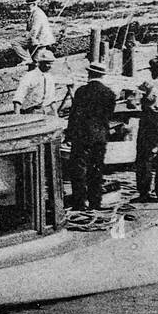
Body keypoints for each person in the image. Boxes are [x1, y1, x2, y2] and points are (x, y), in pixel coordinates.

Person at [66, 62, 116, 211]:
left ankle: (79, 204)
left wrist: (69, 135)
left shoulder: (81, 92)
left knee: (79, 170)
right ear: (102, 75)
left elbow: (74, 115)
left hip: (81, 136)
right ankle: (95, 203)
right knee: (96, 170)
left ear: (89, 74)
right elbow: (109, 115)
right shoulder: (109, 93)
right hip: (99, 136)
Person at [133, 57, 158, 202]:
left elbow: (132, 102)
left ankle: (144, 192)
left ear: (154, 71)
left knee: (144, 156)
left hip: (150, 120)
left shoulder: (148, 84)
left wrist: (141, 104)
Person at [12, 48, 59, 115]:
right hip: (29, 111)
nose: (50, 66)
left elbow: (51, 98)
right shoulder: (30, 76)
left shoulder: (49, 77)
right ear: (40, 63)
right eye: (48, 63)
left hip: (45, 110)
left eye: (51, 63)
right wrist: (17, 115)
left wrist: (55, 114)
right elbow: (19, 96)